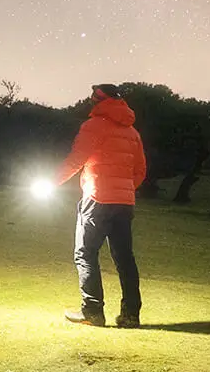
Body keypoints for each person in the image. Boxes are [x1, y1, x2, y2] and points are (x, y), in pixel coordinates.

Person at [52, 83, 147, 328]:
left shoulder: (93, 126)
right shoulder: (132, 132)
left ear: (98, 100)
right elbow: (140, 171)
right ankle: (131, 315)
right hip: (124, 203)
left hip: (96, 199)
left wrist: (52, 182)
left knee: (85, 254)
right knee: (124, 258)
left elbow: (76, 159)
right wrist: (124, 189)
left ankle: (92, 312)